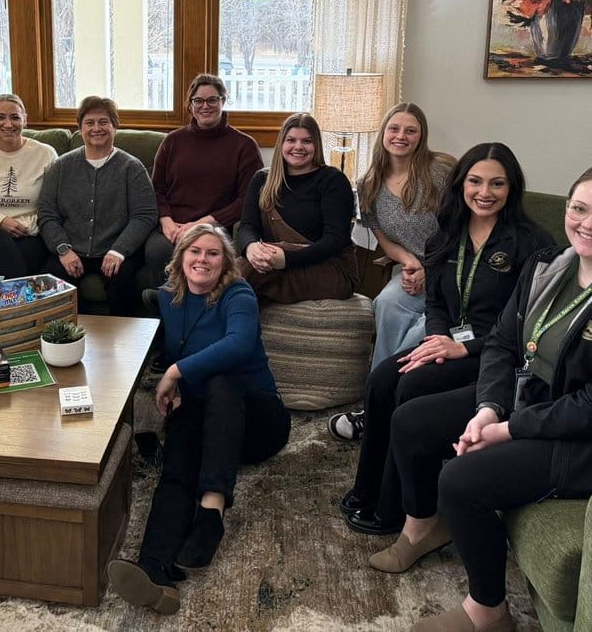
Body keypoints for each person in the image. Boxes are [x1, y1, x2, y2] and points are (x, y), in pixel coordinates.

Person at [372, 164, 592, 632]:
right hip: (544, 399)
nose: (589, 224)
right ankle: (422, 526)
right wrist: (489, 407)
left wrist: (507, 430)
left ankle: (487, 611)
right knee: (412, 422)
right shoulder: (551, 264)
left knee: (464, 481)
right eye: (580, 209)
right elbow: (505, 343)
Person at [332, 143, 553, 539]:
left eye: (497, 184)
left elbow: (531, 324)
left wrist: (462, 347)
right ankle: (366, 487)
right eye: (475, 181)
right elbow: (435, 301)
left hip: (496, 352)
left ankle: (394, 506)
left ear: (512, 188)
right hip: (449, 340)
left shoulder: (532, 244)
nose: (485, 192)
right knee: (383, 377)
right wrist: (436, 337)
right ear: (461, 184)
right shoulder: (445, 236)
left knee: (411, 385)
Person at [107, 224, 290, 614]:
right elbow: (136, 339)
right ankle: (155, 571)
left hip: (259, 421)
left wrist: (174, 373)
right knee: (177, 464)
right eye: (195, 251)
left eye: (212, 253)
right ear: (181, 257)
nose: (202, 259)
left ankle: (212, 508)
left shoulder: (237, 294)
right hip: (205, 416)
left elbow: (238, 345)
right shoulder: (169, 298)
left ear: (225, 263)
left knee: (222, 382)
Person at [37, 96, 157, 316]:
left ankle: (124, 347)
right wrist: (63, 249)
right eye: (89, 122)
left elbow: (145, 215)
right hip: (70, 249)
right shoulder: (61, 166)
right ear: (80, 128)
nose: (96, 128)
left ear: (114, 126)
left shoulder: (132, 167)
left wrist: (119, 250)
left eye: (104, 122)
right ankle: (71, 342)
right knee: (52, 286)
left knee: (123, 285)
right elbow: (46, 214)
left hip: (117, 250)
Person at [358, 103, 453, 371]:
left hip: (452, 267)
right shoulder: (368, 183)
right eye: (394, 129)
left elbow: (463, 229)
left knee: (418, 331)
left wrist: (429, 268)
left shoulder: (440, 171)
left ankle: (396, 383)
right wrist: (410, 261)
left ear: (421, 137)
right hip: (412, 271)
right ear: (383, 133)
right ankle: (377, 387)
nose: (401, 136)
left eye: (411, 130)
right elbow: (383, 239)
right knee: (385, 303)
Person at [144, 73, 263, 287]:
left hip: (214, 227)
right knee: (157, 251)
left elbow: (247, 199)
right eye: (198, 101)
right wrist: (167, 223)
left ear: (223, 101)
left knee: (203, 256)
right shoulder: (173, 141)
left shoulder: (244, 145)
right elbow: (156, 190)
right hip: (173, 225)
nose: (204, 106)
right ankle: (164, 312)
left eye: (212, 100)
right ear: (190, 105)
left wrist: (198, 225)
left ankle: (201, 313)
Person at [234, 113, 357, 303]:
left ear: (316, 145)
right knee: (235, 276)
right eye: (291, 140)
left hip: (329, 267)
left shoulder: (333, 180)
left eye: (306, 141)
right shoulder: (261, 180)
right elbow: (247, 227)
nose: (298, 147)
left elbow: (335, 240)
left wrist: (286, 259)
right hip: (273, 264)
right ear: (281, 144)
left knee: (237, 278)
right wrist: (250, 248)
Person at [0, 93, 57, 278]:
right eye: (0, 117)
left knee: (24, 255)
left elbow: (54, 205)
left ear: (25, 120)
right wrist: (0, 221)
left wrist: (24, 226)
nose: (8, 124)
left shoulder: (45, 154)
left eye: (15, 117)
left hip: (30, 233)